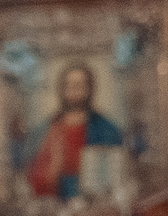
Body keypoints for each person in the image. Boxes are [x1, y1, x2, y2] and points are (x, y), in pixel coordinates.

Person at [21, 62, 124, 203]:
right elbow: (35, 176)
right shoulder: (48, 129)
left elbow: (116, 175)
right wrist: (52, 170)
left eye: (81, 85)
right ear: (62, 89)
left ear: (90, 88)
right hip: (56, 203)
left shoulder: (106, 129)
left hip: (95, 203)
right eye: (70, 85)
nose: (75, 90)